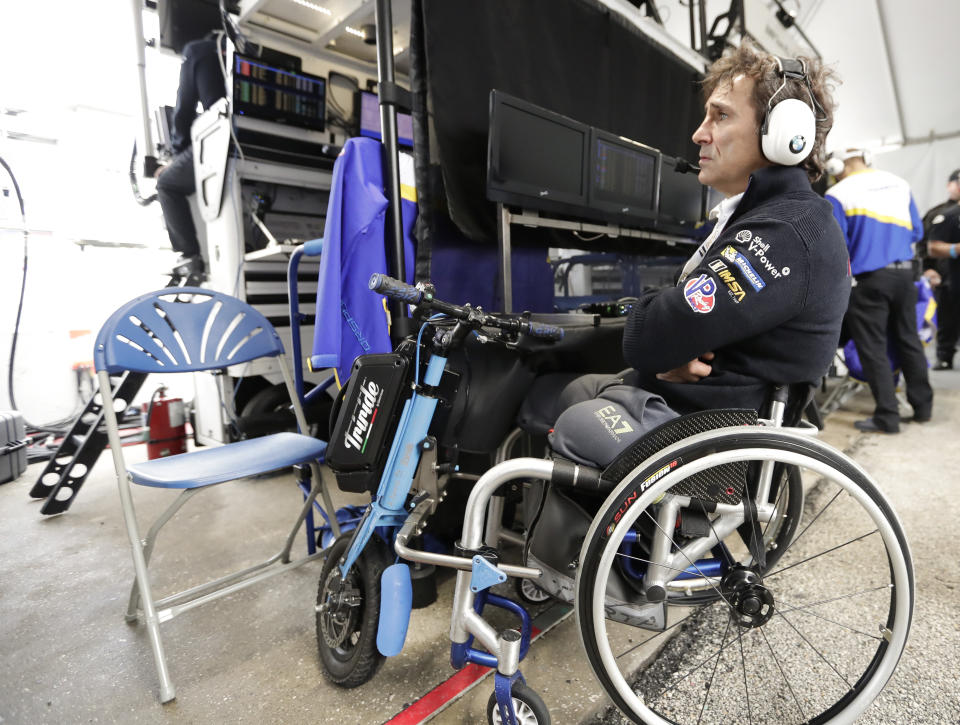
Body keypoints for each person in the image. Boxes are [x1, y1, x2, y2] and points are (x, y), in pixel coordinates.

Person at [547, 43, 850, 466]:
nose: (699, 133)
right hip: (701, 415)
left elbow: (653, 334)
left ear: (782, 134)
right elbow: (675, 323)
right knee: (569, 392)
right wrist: (672, 339)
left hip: (709, 438)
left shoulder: (784, 231)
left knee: (572, 419)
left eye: (721, 115)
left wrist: (666, 339)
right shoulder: (769, 215)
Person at [825, 150, 933, 433]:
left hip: (872, 280)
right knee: (908, 339)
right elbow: (917, 233)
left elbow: (838, 245)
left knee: (872, 347)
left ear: (836, 167)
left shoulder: (838, 192)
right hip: (906, 276)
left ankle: (888, 415)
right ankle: (923, 408)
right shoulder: (899, 184)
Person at [155, 35, 225, 280]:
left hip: (221, 135)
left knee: (166, 184)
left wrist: (177, 153)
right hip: (255, 136)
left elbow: (184, 110)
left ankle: (190, 256)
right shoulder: (242, 42)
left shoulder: (197, 49)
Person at [922, 169, 960, 369]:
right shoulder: (938, 213)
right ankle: (945, 355)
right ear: (950, 185)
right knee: (948, 317)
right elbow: (924, 245)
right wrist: (927, 269)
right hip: (946, 274)